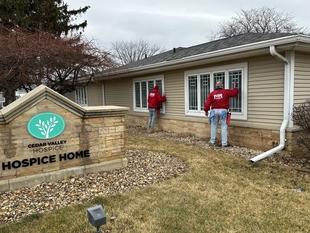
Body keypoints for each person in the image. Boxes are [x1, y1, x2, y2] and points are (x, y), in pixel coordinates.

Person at [204, 81, 239, 147]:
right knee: (223, 127)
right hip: (223, 111)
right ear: (222, 86)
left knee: (214, 127)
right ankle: (224, 143)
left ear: (216, 86)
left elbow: (207, 103)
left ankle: (212, 142)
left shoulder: (212, 93)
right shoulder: (225, 92)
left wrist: (206, 111)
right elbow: (234, 93)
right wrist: (236, 87)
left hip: (214, 111)